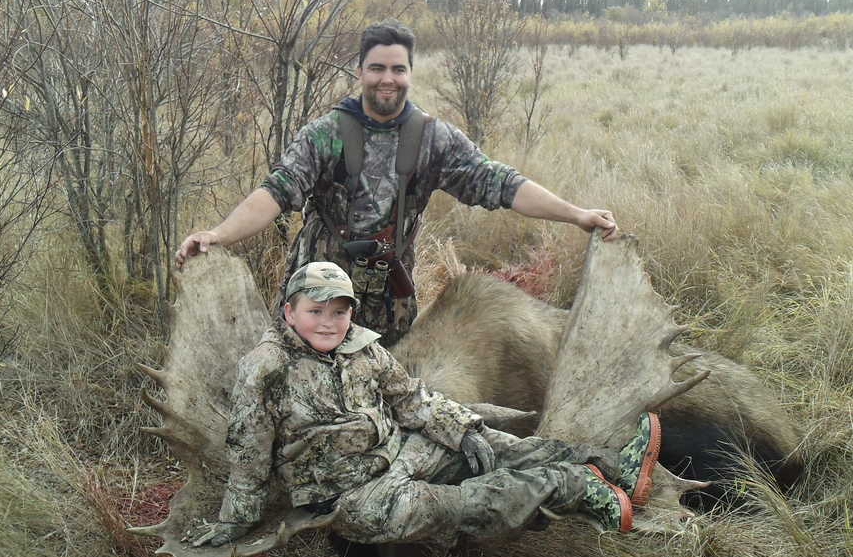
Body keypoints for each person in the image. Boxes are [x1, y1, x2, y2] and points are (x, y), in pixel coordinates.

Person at [176, 19, 618, 346]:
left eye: (398, 69)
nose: (387, 78)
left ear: (410, 72)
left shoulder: (434, 138)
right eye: (376, 68)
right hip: (318, 295)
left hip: (390, 300)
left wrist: (576, 215)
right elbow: (275, 192)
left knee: (390, 398)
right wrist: (219, 235)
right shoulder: (326, 133)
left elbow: (500, 182)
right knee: (299, 390)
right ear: (360, 72)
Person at [191, 262, 661, 550]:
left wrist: (463, 430)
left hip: (400, 449)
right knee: (469, 504)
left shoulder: (363, 349)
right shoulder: (264, 369)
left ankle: (617, 466)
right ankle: (581, 489)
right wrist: (236, 518)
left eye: (339, 311)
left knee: (495, 445)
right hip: (354, 497)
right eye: (315, 311)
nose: (328, 322)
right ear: (290, 312)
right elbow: (248, 451)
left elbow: (411, 399)